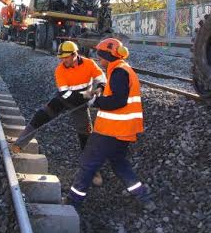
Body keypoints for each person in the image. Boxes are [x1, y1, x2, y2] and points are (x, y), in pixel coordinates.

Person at [66, 38, 154, 211]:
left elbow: (118, 101)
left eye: (100, 56)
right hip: (123, 131)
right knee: (119, 164)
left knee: (88, 163)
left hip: (111, 131)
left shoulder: (119, 72)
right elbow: (116, 95)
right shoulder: (121, 69)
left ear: (107, 55)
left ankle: (72, 202)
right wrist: (98, 93)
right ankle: (144, 198)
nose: (99, 59)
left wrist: (95, 101)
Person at [10, 40, 107, 186]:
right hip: (64, 99)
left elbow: (101, 78)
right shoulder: (60, 70)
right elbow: (65, 95)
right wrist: (86, 95)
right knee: (41, 116)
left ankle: (93, 170)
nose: (63, 60)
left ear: (75, 55)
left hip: (82, 103)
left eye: (65, 58)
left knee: (86, 135)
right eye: (61, 58)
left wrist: (100, 87)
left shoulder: (89, 64)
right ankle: (19, 144)